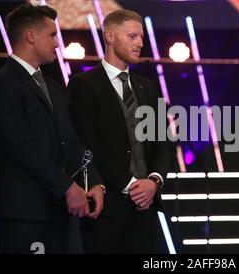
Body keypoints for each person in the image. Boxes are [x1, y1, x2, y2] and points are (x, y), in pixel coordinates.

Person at [0, 4, 104, 254]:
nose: (57, 43)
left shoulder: (53, 87)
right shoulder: (2, 84)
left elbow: (72, 142)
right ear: (30, 36)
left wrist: (95, 183)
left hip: (59, 210)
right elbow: (20, 147)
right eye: (52, 35)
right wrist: (68, 188)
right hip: (23, 212)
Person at [67, 9, 173, 253]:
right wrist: (131, 183)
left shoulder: (148, 87)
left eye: (142, 38)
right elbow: (86, 143)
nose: (140, 44)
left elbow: (164, 142)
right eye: (133, 36)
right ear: (110, 36)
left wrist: (153, 182)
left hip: (145, 207)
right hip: (105, 207)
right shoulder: (84, 85)